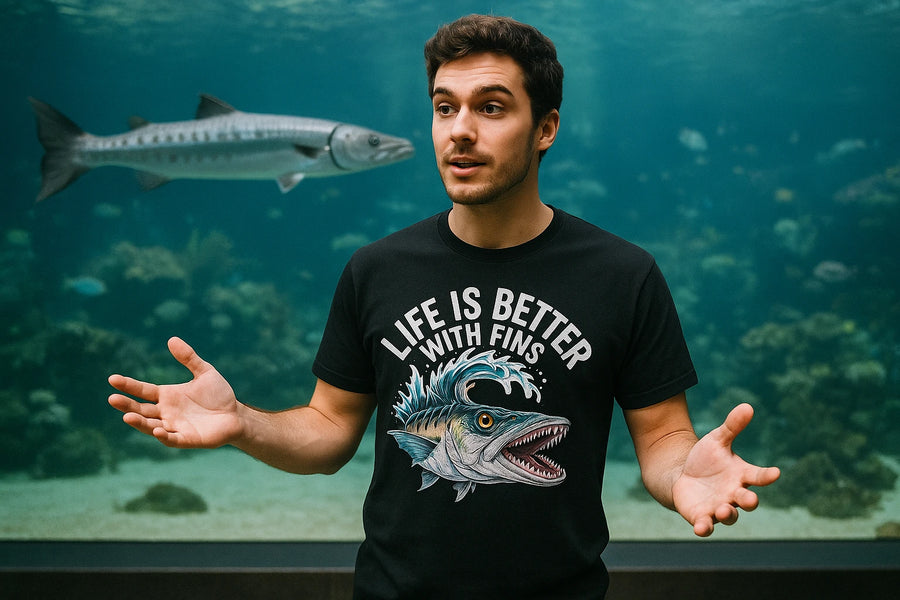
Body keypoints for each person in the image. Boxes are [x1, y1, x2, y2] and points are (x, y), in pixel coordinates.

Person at [108, 14, 780, 599]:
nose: (459, 131)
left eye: (491, 107)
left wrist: (682, 475)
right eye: (443, 106)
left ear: (545, 127)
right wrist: (243, 424)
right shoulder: (375, 269)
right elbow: (328, 430)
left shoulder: (623, 274)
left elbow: (662, 437)